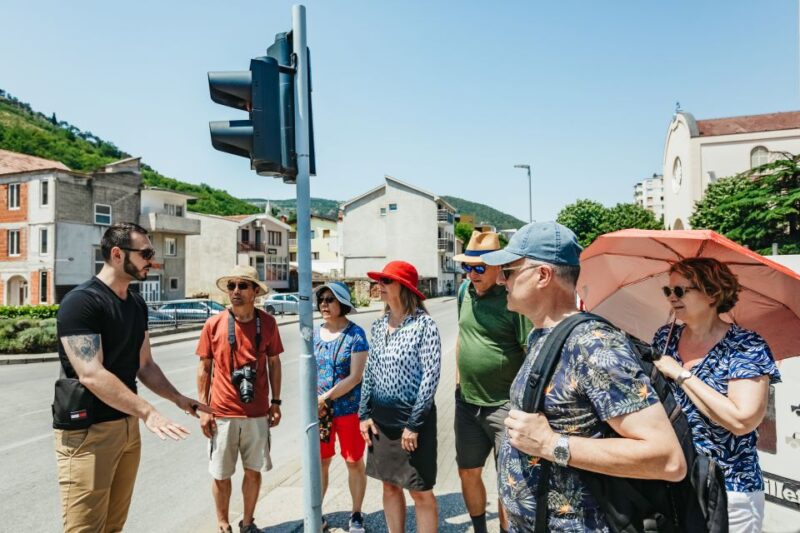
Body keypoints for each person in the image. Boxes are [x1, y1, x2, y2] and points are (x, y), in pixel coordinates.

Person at [481, 221, 687, 532]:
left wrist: (552, 444)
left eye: (508, 271)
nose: (500, 280)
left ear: (542, 275)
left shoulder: (593, 344)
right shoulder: (545, 334)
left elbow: (668, 460)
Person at [53, 222, 209, 533]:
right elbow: (91, 373)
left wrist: (178, 399)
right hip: (89, 432)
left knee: (113, 526)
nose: (153, 261)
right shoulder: (81, 302)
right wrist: (148, 411)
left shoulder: (136, 303)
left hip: (126, 427)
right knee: (85, 529)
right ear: (116, 254)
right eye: (146, 253)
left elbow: (145, 364)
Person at [651, 257, 781, 532]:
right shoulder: (665, 338)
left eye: (681, 290)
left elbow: (742, 420)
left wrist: (681, 374)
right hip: (674, 482)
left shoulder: (745, 345)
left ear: (712, 293)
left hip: (730, 488)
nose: (672, 298)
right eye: (668, 291)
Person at [196, 265, 284, 533]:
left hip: (257, 414)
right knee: (221, 474)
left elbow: (274, 363)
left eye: (242, 286)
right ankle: (222, 524)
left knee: (253, 471)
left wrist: (276, 402)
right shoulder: (214, 324)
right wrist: (203, 409)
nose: (235, 291)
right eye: (232, 286)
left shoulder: (267, 323)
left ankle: (248, 523)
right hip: (222, 413)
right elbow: (204, 368)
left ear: (255, 291)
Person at [452, 231, 531, 533]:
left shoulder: (512, 299)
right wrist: (458, 384)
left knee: (507, 480)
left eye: (479, 268)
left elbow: (528, 352)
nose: (472, 274)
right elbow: (463, 336)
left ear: (498, 267)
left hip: (505, 407)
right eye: (468, 268)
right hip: (467, 404)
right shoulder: (463, 293)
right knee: (467, 472)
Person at [358, 261, 442, 533]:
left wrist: (414, 425)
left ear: (404, 288)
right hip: (381, 422)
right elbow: (370, 372)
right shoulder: (379, 325)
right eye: (379, 281)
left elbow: (430, 377)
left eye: (386, 281)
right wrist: (363, 414)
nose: (379, 285)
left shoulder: (424, 325)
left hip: (412, 424)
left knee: (420, 491)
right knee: (390, 485)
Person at [314, 281, 369, 532]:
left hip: (348, 410)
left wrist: (326, 397)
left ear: (342, 304)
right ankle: (316, 512)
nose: (324, 304)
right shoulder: (315, 333)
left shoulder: (355, 335)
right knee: (321, 462)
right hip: (319, 413)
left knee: (353, 461)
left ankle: (356, 513)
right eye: (321, 299)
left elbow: (355, 376)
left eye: (330, 299)